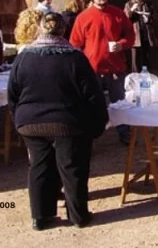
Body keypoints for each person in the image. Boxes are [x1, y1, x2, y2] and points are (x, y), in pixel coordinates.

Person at [8, 12, 108, 230]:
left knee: (39, 166)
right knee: (72, 168)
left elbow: (12, 93)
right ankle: (78, 216)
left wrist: (18, 119)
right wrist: (99, 122)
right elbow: (93, 94)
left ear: (41, 29)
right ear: (64, 30)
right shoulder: (74, 57)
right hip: (66, 121)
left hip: (29, 121)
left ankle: (40, 217)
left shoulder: (24, 57)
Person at [70, 0, 135, 145]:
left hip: (115, 68)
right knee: (91, 104)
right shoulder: (83, 18)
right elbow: (75, 44)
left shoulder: (117, 13)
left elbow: (130, 35)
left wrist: (121, 45)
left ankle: (124, 133)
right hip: (92, 69)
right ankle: (90, 136)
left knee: (119, 102)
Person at [123, 0, 157, 72]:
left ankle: (147, 76)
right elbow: (125, 18)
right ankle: (136, 76)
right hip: (135, 36)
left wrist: (148, 17)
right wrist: (131, 11)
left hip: (146, 34)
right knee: (136, 59)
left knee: (146, 58)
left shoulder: (147, 4)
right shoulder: (129, 4)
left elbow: (154, 16)